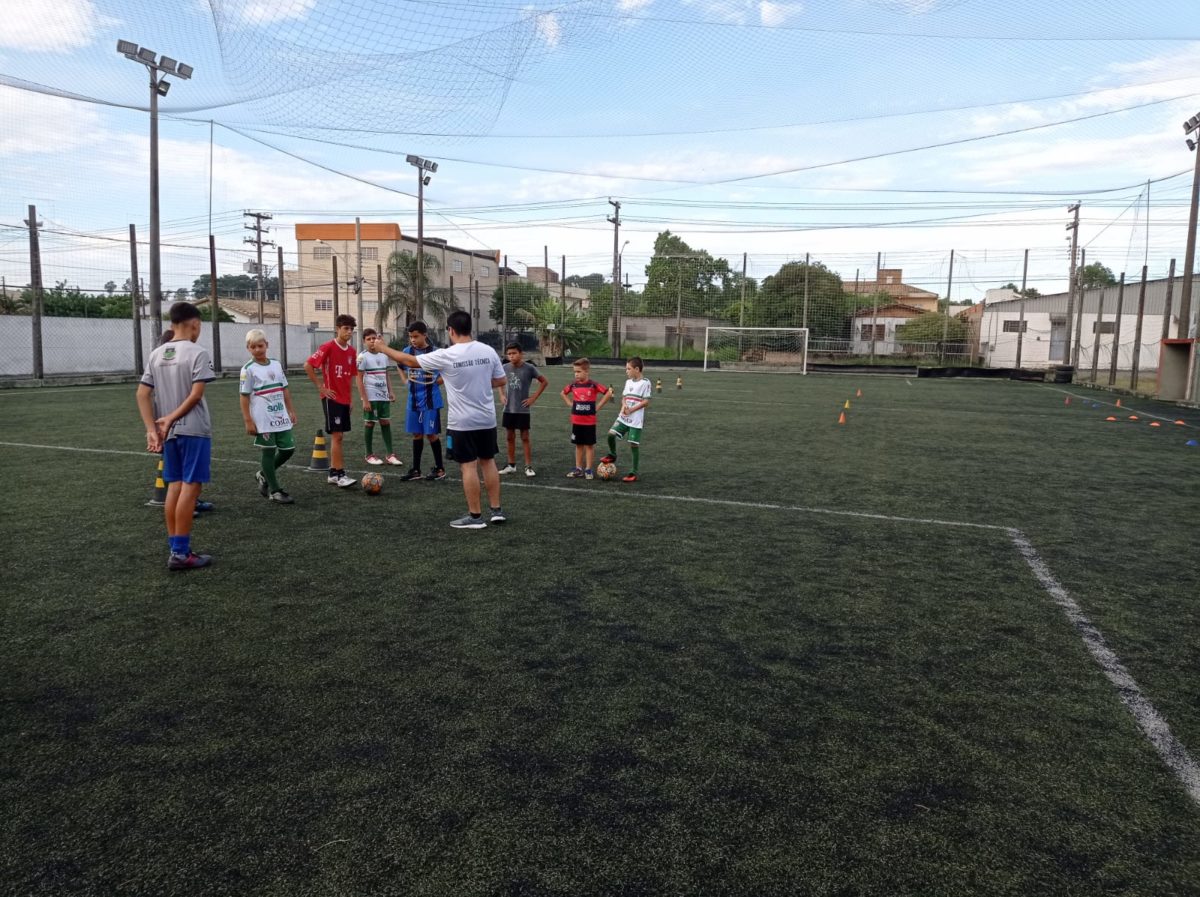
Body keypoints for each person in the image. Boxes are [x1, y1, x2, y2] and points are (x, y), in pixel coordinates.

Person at [376, 309, 507, 528]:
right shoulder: (488, 351)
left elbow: (409, 361)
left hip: (462, 423)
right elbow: (500, 380)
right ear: (469, 328)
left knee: (468, 467)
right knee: (488, 462)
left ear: (451, 330)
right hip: (487, 419)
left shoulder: (448, 354)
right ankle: (496, 511)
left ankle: (475, 517)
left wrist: (382, 348)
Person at [135, 301, 216, 571]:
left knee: (175, 485)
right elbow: (196, 395)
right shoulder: (197, 352)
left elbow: (142, 393)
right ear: (195, 324)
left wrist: (153, 428)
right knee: (190, 487)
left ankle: (176, 549)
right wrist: (171, 417)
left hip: (167, 432)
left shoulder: (157, 353)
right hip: (193, 429)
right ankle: (181, 553)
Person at [239, 328, 298, 504]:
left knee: (288, 449)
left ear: (267, 345)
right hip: (262, 417)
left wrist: (291, 409)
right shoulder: (248, 369)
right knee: (269, 450)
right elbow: (244, 396)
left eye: (260, 345)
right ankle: (275, 491)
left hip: (280, 413)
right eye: (253, 347)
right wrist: (248, 420)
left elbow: (284, 388)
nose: (257, 349)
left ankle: (263, 475)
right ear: (248, 348)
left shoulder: (276, 364)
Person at [304, 314, 357, 488]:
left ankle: (333, 473)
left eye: (351, 329)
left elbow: (350, 377)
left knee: (340, 436)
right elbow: (308, 365)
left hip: (344, 399)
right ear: (337, 329)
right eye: (345, 328)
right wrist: (321, 387)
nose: (349, 332)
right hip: (331, 398)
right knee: (337, 436)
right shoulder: (328, 347)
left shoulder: (351, 351)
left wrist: (350, 400)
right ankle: (340, 474)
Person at [396, 320, 447, 482]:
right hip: (413, 401)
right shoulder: (407, 351)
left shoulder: (435, 352)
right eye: (410, 336)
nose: (413, 339)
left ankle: (440, 469)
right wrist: (405, 380)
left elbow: (446, 370)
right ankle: (416, 470)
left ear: (425, 335)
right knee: (416, 434)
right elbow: (400, 364)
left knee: (430, 434)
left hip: (431, 401)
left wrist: (438, 381)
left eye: (416, 336)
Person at [496, 342, 548, 477]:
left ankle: (528, 466)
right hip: (508, 409)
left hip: (523, 409)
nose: (511, 356)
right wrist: (501, 395)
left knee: (525, 437)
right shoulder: (504, 367)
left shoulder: (529, 368)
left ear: (521, 354)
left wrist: (533, 398)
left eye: (514, 353)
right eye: (509, 354)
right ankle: (511, 465)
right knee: (509, 436)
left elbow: (544, 382)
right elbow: (499, 381)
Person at [600, 356, 652, 483]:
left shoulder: (646, 382)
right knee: (611, 434)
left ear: (637, 369)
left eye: (628, 369)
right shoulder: (628, 382)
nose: (626, 371)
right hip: (624, 417)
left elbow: (646, 402)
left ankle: (633, 473)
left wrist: (632, 410)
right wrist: (624, 406)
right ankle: (612, 454)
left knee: (634, 445)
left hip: (636, 420)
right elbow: (624, 397)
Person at [356, 328, 403, 467]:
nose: (372, 341)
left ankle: (390, 455)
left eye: (374, 338)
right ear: (364, 341)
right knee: (370, 423)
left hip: (383, 396)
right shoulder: (362, 357)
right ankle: (369, 454)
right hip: (371, 396)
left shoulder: (383, 356)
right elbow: (358, 379)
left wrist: (391, 391)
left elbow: (386, 375)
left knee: (386, 422)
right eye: (368, 339)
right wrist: (364, 399)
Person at [560, 358, 611, 480]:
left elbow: (608, 393)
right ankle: (578, 468)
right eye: (575, 372)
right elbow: (562, 393)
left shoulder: (593, 385)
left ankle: (588, 469)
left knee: (589, 445)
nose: (576, 374)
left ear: (586, 371)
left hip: (589, 422)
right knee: (578, 445)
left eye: (578, 371)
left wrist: (598, 406)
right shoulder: (573, 385)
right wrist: (570, 403)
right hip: (577, 421)